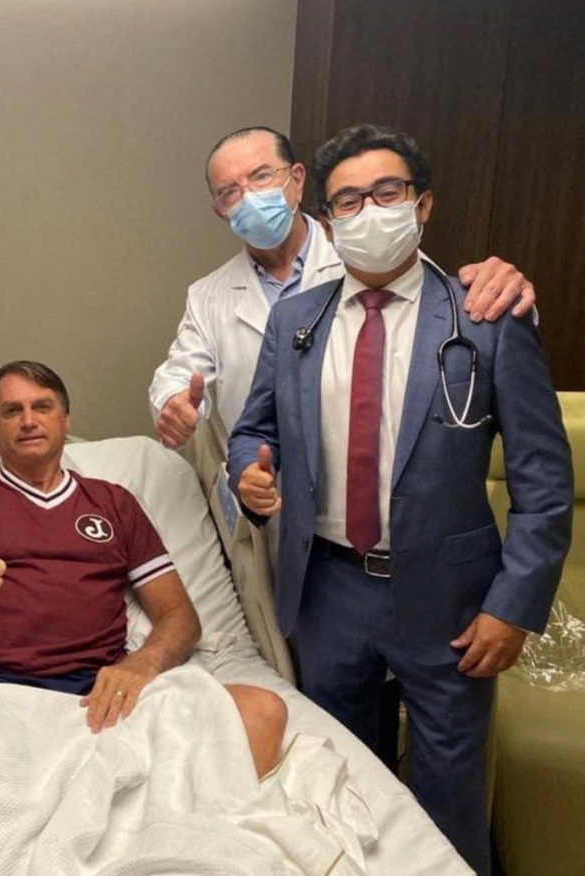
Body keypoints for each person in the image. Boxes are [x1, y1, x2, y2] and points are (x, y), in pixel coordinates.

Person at [227, 124, 573, 875]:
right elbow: (255, 431)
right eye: (348, 200)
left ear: (423, 205)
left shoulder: (486, 317)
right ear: (327, 218)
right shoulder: (296, 320)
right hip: (327, 591)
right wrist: (248, 475)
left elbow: (545, 483)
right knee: (340, 787)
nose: (368, 211)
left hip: (449, 601)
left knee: (450, 798)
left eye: (387, 192)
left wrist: (513, 606)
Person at [0, 360, 288, 830]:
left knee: (262, 712)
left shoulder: (113, 503)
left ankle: (186, 842)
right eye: (12, 410)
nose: (28, 420)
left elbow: (180, 618)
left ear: (65, 419)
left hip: (97, 691)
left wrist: (141, 665)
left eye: (42, 406)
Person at [149, 125, 536, 450]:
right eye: (229, 191)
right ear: (220, 210)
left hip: (360, 479)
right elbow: (179, 375)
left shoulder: (371, 255)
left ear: (296, 179)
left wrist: (504, 290)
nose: (248, 197)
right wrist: (173, 404)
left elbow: (456, 312)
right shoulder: (208, 295)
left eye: (261, 176)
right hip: (260, 485)